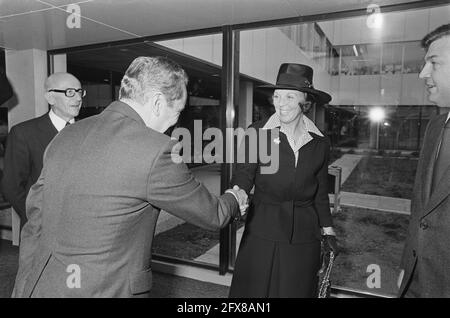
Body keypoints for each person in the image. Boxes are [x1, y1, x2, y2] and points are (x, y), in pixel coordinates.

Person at [12, 56, 247, 298]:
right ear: (157, 102)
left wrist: (23, 288)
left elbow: (35, 221)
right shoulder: (157, 150)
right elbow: (212, 214)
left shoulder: (65, 135)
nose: (174, 123)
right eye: (177, 112)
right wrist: (234, 197)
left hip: (46, 286)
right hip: (106, 289)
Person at [229, 63, 339, 298]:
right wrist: (237, 194)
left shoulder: (320, 141)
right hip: (263, 227)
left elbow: (319, 191)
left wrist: (328, 230)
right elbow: (244, 173)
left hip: (304, 233)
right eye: (277, 96)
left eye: (290, 96)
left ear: (306, 101)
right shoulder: (257, 132)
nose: (280, 103)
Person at [398, 24, 450, 298]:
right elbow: (422, 214)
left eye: (434, 63)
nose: (422, 74)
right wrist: (406, 272)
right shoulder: (434, 127)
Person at [2, 73, 83, 227]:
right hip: (40, 228)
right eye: (70, 92)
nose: (78, 98)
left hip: (82, 227)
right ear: (50, 97)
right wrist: (34, 216)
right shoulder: (24, 133)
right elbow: (11, 186)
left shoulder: (90, 131)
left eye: (80, 92)